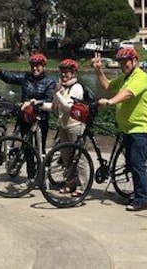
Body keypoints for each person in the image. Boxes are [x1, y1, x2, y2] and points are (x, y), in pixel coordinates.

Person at [92, 47, 147, 212]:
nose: (122, 65)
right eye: (120, 63)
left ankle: (142, 199)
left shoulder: (141, 77)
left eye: (125, 62)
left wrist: (110, 102)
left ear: (134, 61)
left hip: (140, 127)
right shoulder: (125, 78)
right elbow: (107, 86)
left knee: (137, 164)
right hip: (126, 128)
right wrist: (99, 70)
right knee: (130, 163)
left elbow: (127, 94)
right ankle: (132, 192)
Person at [0, 53, 56, 153]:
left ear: (43, 66)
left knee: (39, 148)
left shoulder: (49, 82)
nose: (34, 68)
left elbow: (48, 100)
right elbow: (11, 78)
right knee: (26, 147)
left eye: (38, 66)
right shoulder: (26, 77)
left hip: (40, 118)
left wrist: (36, 102)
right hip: (25, 116)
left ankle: (43, 167)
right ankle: (29, 167)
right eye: (32, 66)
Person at [50, 58, 88, 197]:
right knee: (66, 158)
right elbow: (55, 107)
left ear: (73, 73)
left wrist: (57, 93)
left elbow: (67, 107)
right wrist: (37, 105)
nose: (64, 75)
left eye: (67, 72)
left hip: (75, 126)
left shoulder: (76, 88)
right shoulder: (62, 88)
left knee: (79, 158)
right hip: (63, 126)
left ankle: (82, 186)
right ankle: (70, 183)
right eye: (62, 72)